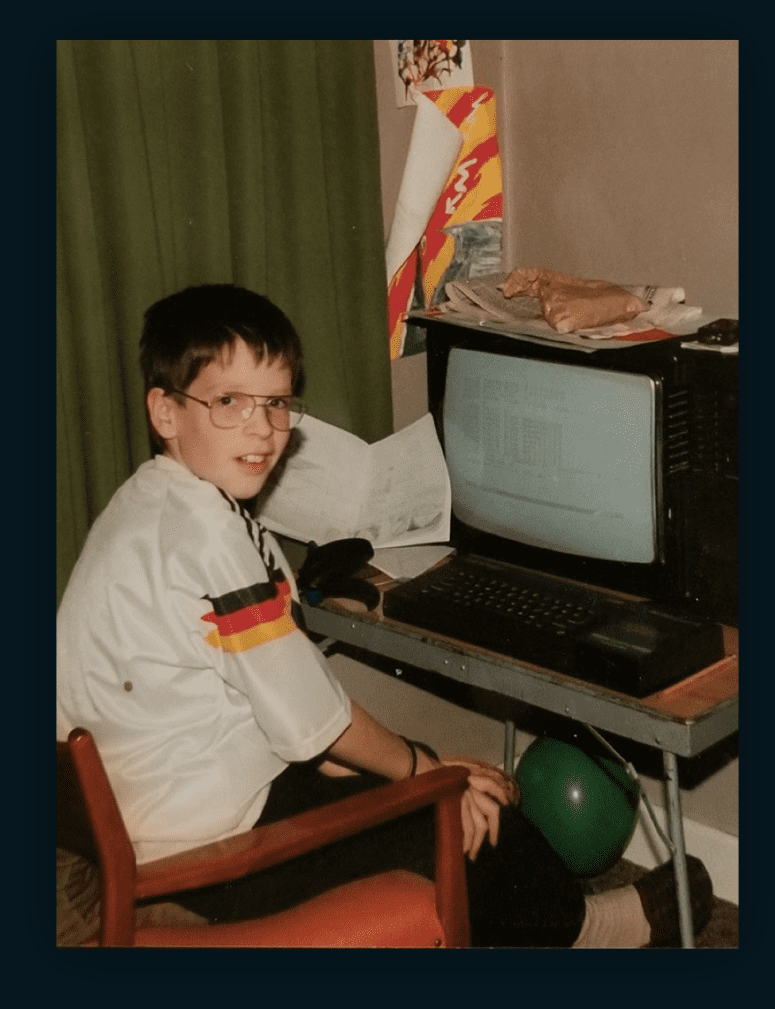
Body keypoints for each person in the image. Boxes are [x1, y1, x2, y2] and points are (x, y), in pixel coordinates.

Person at [57, 284, 712, 947]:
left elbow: (279, 716)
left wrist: (412, 768)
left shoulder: (149, 503)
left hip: (162, 814)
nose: (261, 430)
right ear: (164, 411)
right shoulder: (204, 535)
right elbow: (316, 725)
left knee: (439, 782)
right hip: (201, 862)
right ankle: (595, 931)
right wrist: (429, 775)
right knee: (472, 815)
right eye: (228, 402)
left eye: (276, 403)